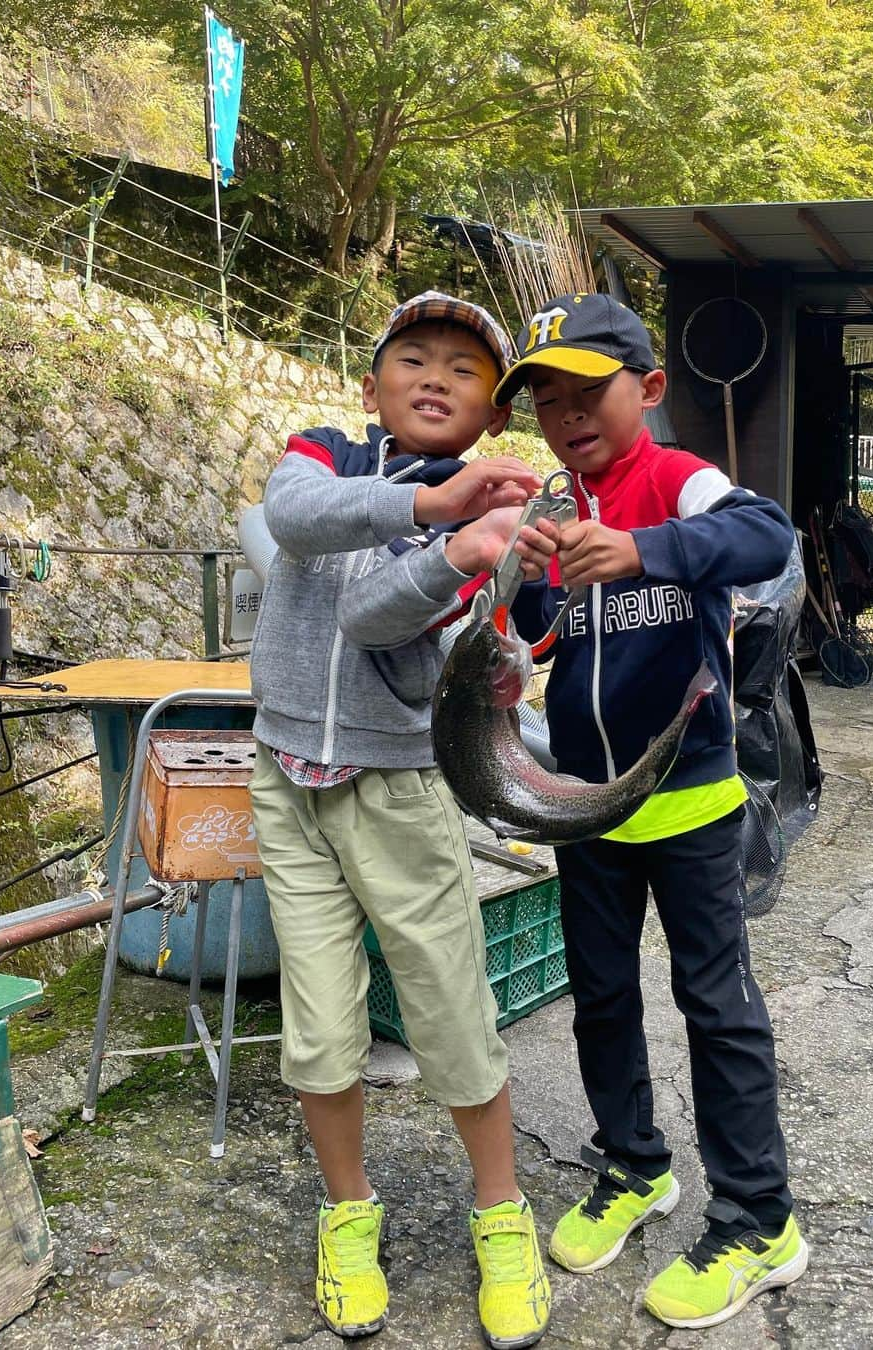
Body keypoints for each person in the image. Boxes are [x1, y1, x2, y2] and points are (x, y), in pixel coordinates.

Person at [494, 292, 808, 1331]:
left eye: (590, 390)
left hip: (690, 797)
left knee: (715, 1005)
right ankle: (633, 1167)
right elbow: (541, 638)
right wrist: (529, 593)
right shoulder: (553, 502)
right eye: (546, 398)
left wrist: (648, 549)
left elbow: (766, 537)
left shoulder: (680, 482)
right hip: (587, 806)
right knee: (599, 998)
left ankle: (761, 1222)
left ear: (651, 390)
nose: (568, 414)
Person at [248, 292, 556, 1347]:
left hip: (402, 789)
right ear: (373, 382)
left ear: (493, 415)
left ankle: (501, 1213)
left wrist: (472, 550)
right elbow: (289, 518)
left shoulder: (507, 519)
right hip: (287, 779)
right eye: (412, 357)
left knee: (451, 1011)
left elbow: (373, 618)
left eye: (464, 371)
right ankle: (346, 1213)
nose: (434, 377)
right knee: (321, 1025)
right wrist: (433, 514)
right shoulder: (324, 455)